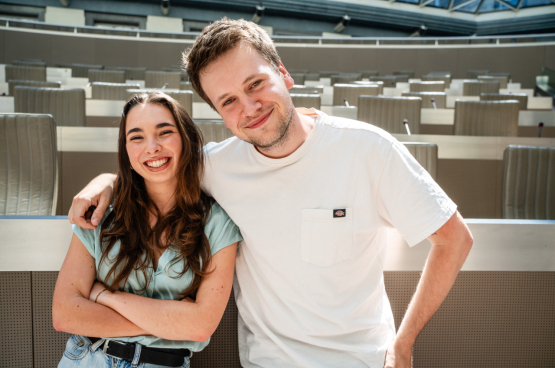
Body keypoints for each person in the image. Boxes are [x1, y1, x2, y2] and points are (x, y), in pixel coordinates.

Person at [68, 19, 473, 368]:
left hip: (362, 359)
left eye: (256, 83)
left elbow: (454, 238)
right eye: (228, 101)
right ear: (219, 113)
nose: (249, 107)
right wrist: (108, 181)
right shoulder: (216, 166)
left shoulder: (369, 149)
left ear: (284, 72)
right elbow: (155, 167)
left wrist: (403, 344)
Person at [53, 92, 242, 368]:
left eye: (164, 132)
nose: (151, 147)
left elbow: (200, 327)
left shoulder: (218, 222)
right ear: (126, 150)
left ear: (186, 139)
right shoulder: (101, 213)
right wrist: (171, 323)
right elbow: (65, 314)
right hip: (86, 358)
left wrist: (104, 296)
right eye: (137, 137)